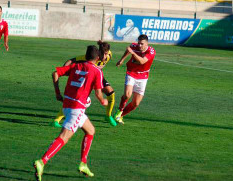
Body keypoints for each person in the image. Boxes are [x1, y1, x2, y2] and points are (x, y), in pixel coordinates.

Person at [33, 45, 108, 181]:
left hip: (67, 105)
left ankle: (83, 163)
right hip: (77, 108)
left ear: (85, 56)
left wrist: (57, 93)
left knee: (90, 130)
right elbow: (98, 93)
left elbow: (55, 73)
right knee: (64, 137)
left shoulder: (75, 66)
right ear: (97, 58)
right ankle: (42, 161)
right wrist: (103, 101)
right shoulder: (97, 71)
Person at [51, 40, 117, 128]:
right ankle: (57, 120)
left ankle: (108, 116)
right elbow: (71, 60)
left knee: (111, 93)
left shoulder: (109, 55)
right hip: (89, 74)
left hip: (97, 74)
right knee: (78, 97)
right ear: (98, 54)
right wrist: (65, 68)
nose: (105, 56)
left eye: (106, 53)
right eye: (103, 53)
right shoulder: (88, 57)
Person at [114, 34, 156, 124]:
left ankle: (120, 116)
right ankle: (119, 111)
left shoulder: (151, 52)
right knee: (127, 95)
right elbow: (128, 50)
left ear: (147, 43)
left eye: (142, 44)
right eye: (139, 43)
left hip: (143, 77)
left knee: (136, 103)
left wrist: (133, 53)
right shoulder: (134, 46)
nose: (139, 45)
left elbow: (142, 61)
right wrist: (122, 60)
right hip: (131, 72)